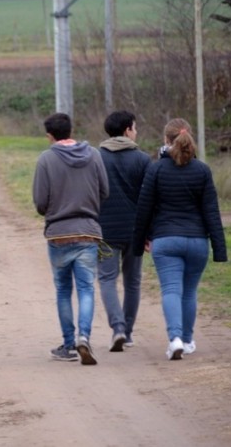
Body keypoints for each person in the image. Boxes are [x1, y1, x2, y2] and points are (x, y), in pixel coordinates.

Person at [132, 118, 227, 361]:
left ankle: (174, 339)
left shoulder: (156, 169)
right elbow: (211, 212)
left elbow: (144, 208)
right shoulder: (202, 170)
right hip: (197, 241)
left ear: (166, 139)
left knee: (171, 290)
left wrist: (140, 241)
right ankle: (187, 339)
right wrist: (219, 248)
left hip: (165, 240)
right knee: (189, 292)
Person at [33, 113, 108, 365]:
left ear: (49, 135)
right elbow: (104, 191)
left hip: (59, 233)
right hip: (88, 230)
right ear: (71, 130)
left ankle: (68, 344)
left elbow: (40, 202)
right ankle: (84, 336)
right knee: (86, 289)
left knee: (64, 290)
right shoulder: (94, 155)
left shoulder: (46, 159)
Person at [97, 111, 151, 351]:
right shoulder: (142, 159)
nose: (136, 131)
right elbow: (149, 199)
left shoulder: (96, 158)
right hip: (135, 231)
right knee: (133, 282)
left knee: (107, 279)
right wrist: (149, 231)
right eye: (135, 128)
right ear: (128, 130)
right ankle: (127, 333)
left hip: (104, 232)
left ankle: (117, 327)